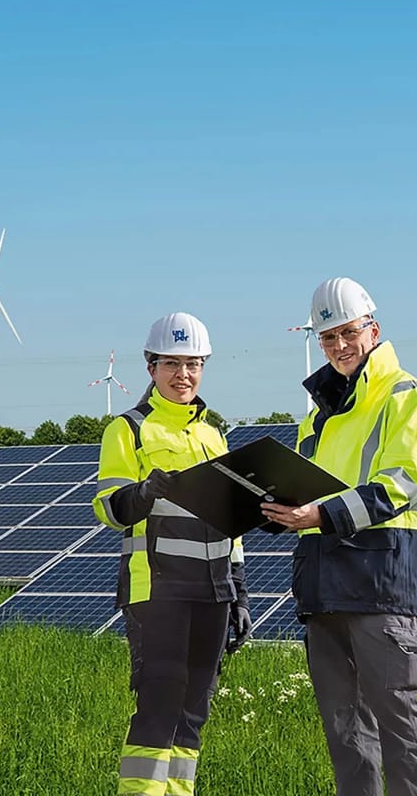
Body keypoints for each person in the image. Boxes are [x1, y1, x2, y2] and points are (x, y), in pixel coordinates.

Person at [262, 278, 417, 796]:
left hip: (382, 583)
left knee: (399, 726)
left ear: (373, 329)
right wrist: (274, 510)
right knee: (345, 732)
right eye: (328, 338)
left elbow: (402, 484)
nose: (340, 346)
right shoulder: (317, 415)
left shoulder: (405, 396)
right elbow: (304, 492)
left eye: (348, 332)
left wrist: (320, 515)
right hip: (323, 587)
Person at [92, 312, 251, 796]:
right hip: (157, 588)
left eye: (193, 364)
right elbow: (109, 507)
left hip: (213, 591)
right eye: (172, 364)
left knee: (194, 708)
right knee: (159, 705)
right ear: (151, 367)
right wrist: (141, 493)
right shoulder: (129, 429)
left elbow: (231, 524)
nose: (184, 375)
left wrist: (240, 594)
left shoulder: (213, 434)